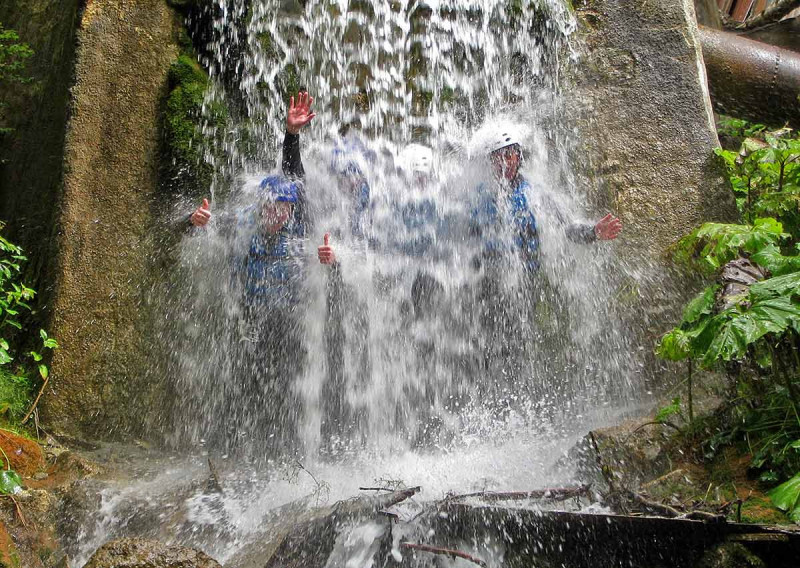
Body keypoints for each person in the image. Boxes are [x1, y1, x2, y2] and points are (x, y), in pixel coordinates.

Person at [184, 93, 317, 456]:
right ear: (261, 207)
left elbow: (294, 176)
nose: (277, 215)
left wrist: (292, 136)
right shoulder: (243, 225)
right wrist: (193, 222)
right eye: (271, 208)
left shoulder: (300, 223)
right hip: (253, 317)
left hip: (289, 320)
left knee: (290, 382)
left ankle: (289, 454)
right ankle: (228, 451)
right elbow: (206, 225)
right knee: (243, 379)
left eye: (284, 209)